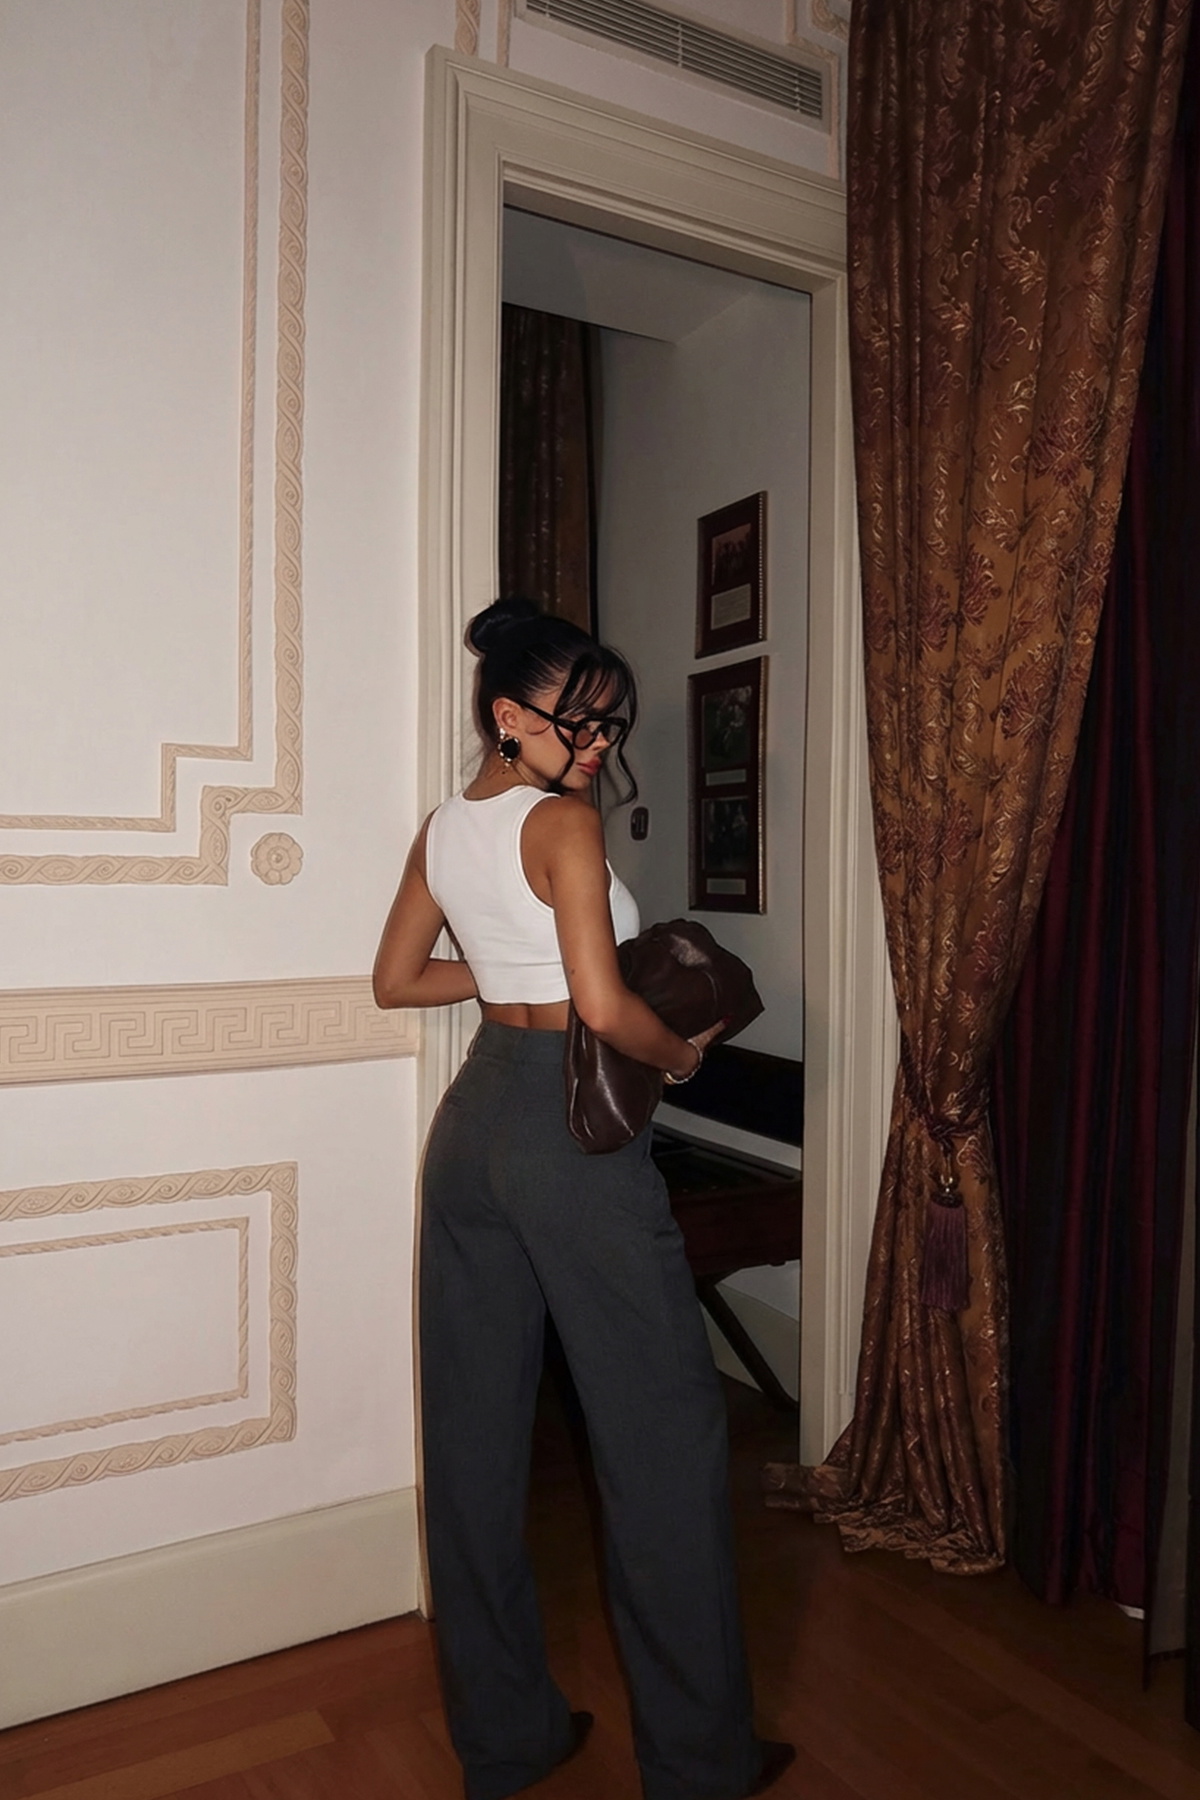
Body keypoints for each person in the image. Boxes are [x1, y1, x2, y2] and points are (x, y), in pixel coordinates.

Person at [373, 597, 794, 1800]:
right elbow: (606, 1011)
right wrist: (681, 1055)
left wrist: (505, 970)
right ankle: (701, 1763)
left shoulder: (444, 828)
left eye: (614, 725)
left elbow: (397, 979)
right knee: (662, 1435)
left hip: (474, 1130)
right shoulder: (561, 822)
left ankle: (507, 1742)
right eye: (580, 723)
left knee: (472, 1440)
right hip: (570, 1135)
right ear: (509, 715)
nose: (600, 745)